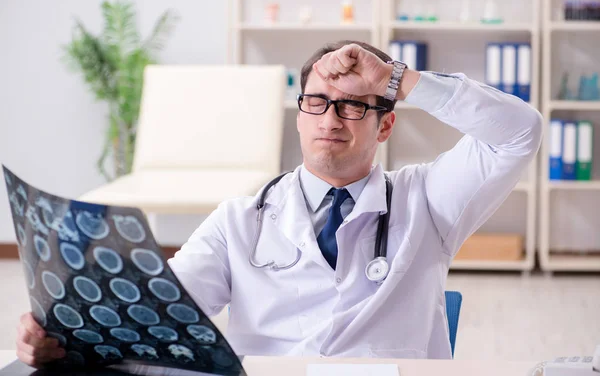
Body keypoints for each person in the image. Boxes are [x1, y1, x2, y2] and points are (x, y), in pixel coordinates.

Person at [16, 40, 542, 367]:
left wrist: (396, 78)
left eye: (354, 105)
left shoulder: (428, 201)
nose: (330, 119)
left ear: (386, 122)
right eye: (317, 103)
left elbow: (519, 133)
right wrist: (64, 341)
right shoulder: (238, 221)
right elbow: (158, 318)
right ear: (298, 116)